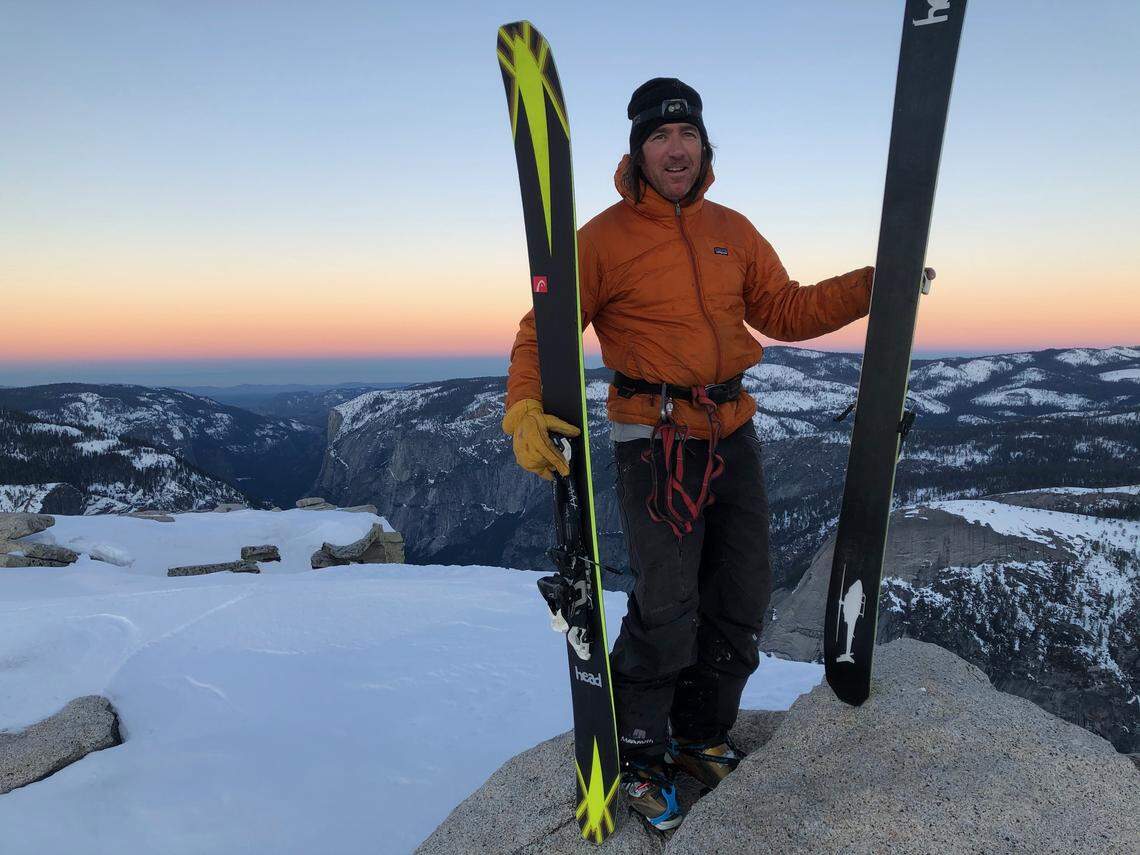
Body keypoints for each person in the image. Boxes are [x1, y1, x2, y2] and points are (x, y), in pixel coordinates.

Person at [502, 77, 879, 831]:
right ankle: (639, 751)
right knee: (668, 600)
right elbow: (542, 329)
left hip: (731, 429)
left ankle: (703, 734)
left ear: (705, 146)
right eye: (659, 136)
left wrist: (877, 285)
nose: (675, 148)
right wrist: (523, 406)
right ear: (637, 151)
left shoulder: (732, 229)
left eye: (687, 135)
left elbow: (786, 308)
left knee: (743, 593)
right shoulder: (601, 240)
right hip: (654, 436)